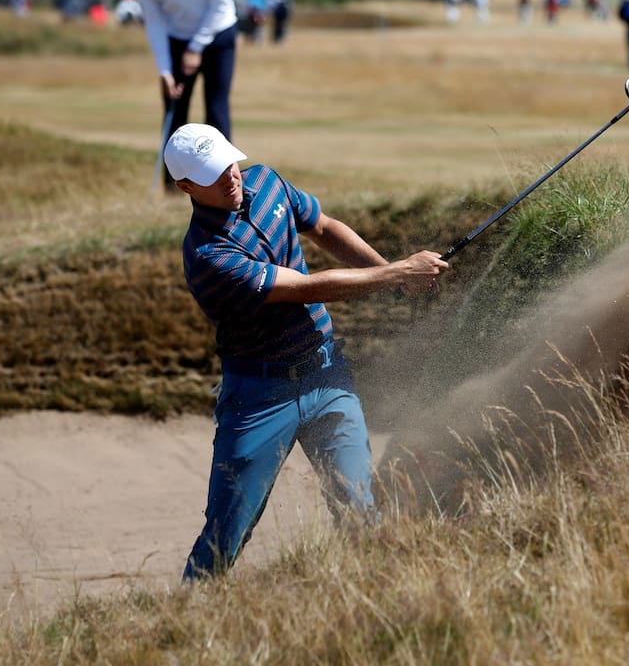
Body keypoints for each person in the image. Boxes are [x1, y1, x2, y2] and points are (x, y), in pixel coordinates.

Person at [163, 123, 448, 580]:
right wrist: (397, 273)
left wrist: (393, 274)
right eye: (212, 174)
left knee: (359, 510)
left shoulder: (266, 181)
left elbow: (324, 227)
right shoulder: (208, 255)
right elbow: (305, 288)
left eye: (229, 163)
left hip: (327, 375)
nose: (230, 176)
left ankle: (375, 597)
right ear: (186, 187)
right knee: (226, 533)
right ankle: (190, 609)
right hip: (260, 397)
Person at [131, 0, 238, 191]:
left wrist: (196, 47)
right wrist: (165, 71)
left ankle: (223, 182)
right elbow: (154, 22)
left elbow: (220, 4)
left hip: (218, 35)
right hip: (177, 39)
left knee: (216, 109)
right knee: (175, 111)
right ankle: (175, 185)